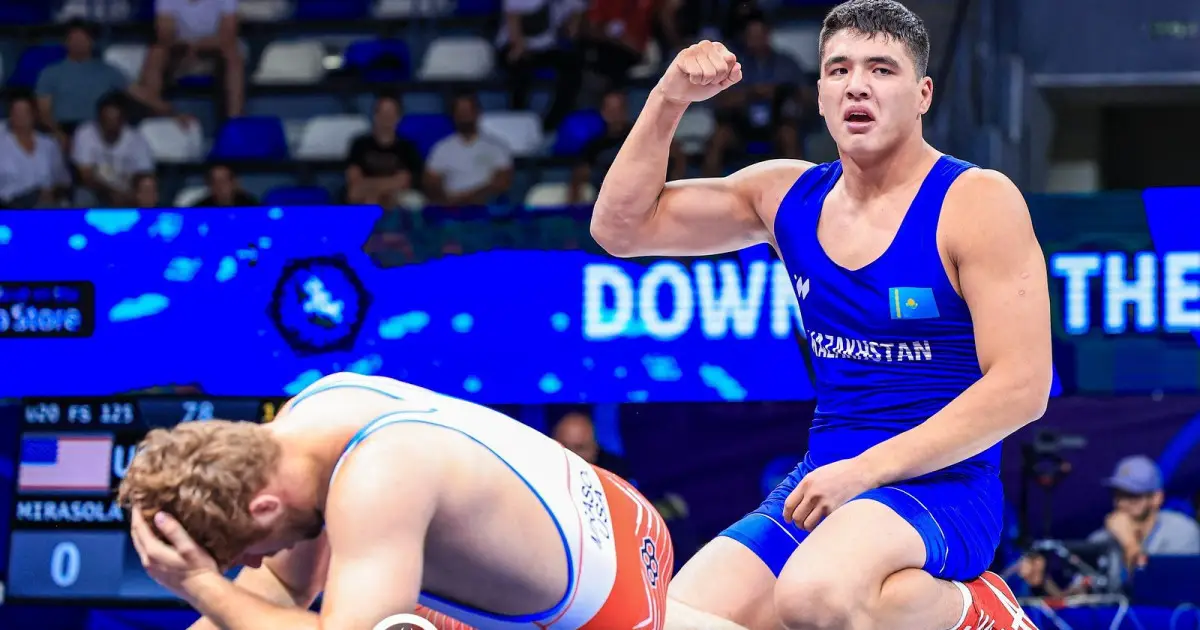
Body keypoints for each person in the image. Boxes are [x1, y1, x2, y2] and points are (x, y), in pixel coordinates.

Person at [588, 0, 1052, 628]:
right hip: (827, 478)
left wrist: (866, 471)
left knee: (813, 596)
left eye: (881, 69)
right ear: (820, 96)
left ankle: (981, 613)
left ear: (923, 94)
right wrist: (670, 98)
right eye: (839, 70)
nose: (857, 85)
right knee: (675, 618)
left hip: (945, 484)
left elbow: (1023, 387)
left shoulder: (976, 201)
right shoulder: (786, 195)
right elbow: (620, 229)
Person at [119, 373, 673, 630]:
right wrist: (212, 590)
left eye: (245, 550)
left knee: (382, 620)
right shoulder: (312, 410)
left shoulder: (379, 477)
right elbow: (281, 591)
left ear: (263, 507)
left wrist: (201, 585)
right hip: (613, 511)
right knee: (373, 594)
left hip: (609, 614)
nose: (254, 562)